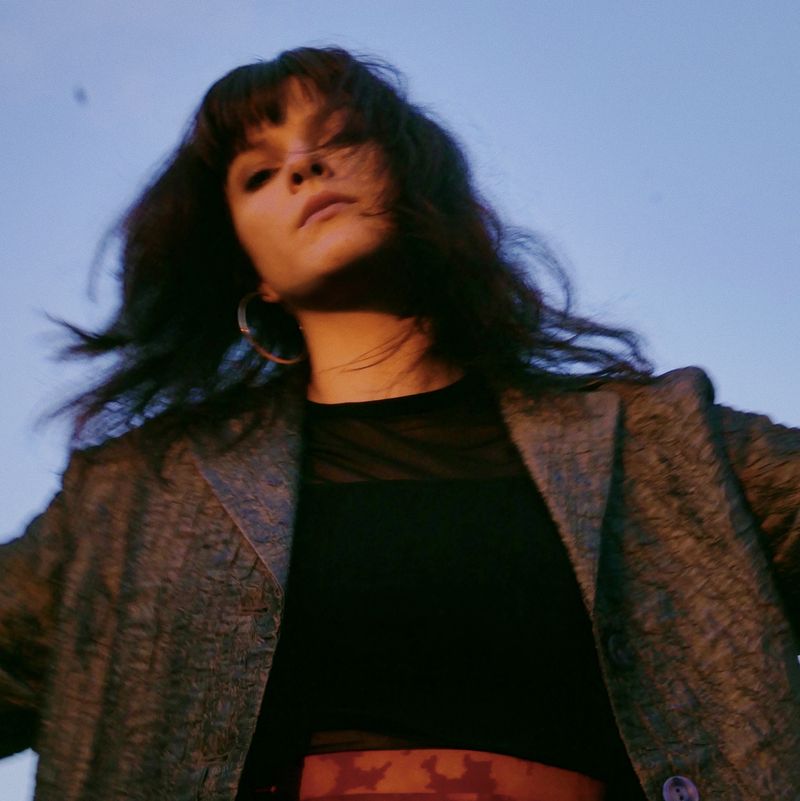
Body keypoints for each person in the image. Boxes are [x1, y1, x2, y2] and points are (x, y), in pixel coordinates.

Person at [0, 46, 798, 801]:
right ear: (250, 269)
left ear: (414, 182)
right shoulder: (132, 496)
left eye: (340, 138)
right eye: (259, 174)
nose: (304, 166)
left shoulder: (661, 444)